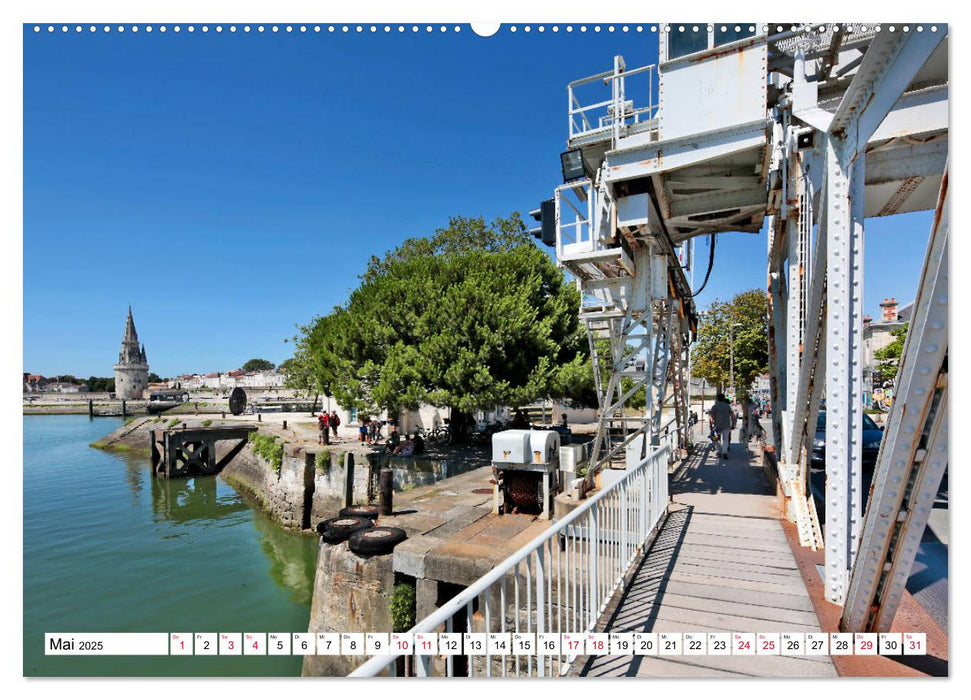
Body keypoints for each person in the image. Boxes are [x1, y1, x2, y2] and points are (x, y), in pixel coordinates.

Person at [708, 393, 734, 459]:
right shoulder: (728, 406)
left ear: (717, 399)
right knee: (725, 439)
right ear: (723, 398)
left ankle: (719, 450)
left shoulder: (715, 406)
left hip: (717, 425)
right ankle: (724, 452)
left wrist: (715, 420)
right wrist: (733, 423)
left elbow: (712, 415)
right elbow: (732, 415)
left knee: (716, 438)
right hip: (726, 425)